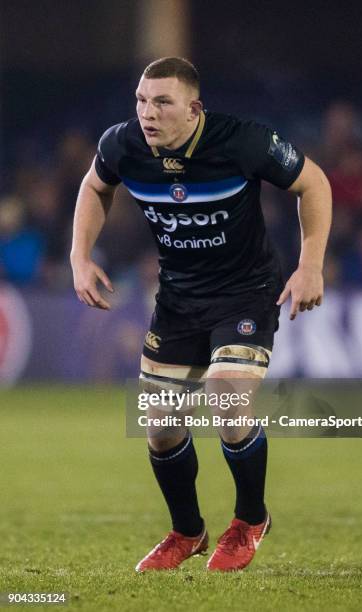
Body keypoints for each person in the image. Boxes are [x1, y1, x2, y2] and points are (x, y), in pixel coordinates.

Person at [70, 57, 332, 572]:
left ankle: (250, 520)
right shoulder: (122, 144)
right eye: (142, 101)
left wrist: (311, 266)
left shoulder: (243, 141)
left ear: (193, 109)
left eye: (162, 102)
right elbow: (94, 187)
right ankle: (187, 532)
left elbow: (314, 184)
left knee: (227, 394)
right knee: (160, 424)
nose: (148, 113)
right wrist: (79, 257)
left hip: (246, 292)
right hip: (178, 300)